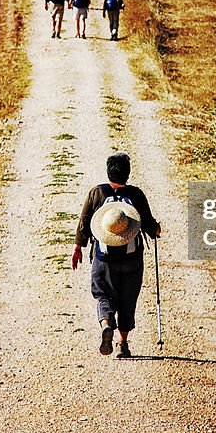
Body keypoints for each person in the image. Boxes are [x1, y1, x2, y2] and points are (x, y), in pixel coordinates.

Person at [72, 153, 160, 358]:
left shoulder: (97, 193)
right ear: (128, 174)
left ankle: (106, 323)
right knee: (128, 298)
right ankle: (122, 343)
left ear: (107, 171)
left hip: (104, 259)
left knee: (103, 293)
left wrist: (78, 247)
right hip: (132, 260)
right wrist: (156, 230)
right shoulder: (136, 194)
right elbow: (148, 224)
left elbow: (85, 222)